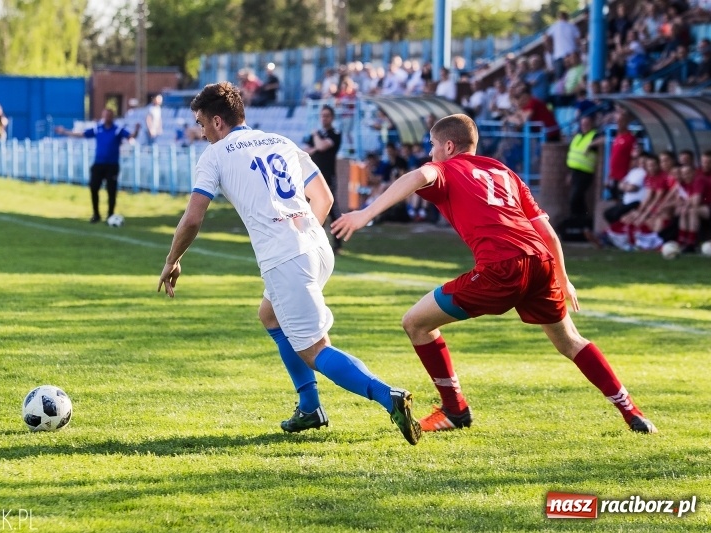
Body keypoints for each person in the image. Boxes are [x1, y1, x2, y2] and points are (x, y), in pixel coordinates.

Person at [331, 114, 657, 434]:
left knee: (414, 323)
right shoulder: (503, 171)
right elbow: (547, 232)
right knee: (570, 340)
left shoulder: (446, 167)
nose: (430, 152)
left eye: (432, 145)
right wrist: (563, 276)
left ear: (448, 145)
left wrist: (365, 213)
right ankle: (632, 413)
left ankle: (455, 410)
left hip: (502, 267)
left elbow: (418, 176)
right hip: (541, 263)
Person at [156, 81, 421, 445]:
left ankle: (388, 395)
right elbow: (324, 198)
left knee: (315, 350)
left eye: (201, 123)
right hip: (316, 247)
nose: (201, 133)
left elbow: (192, 219)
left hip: (286, 260)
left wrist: (173, 260)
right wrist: (299, 232)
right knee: (270, 315)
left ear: (217, 122)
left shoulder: (215, 156)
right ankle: (310, 406)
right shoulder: (281, 142)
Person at [55, 108, 140, 223]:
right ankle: (96, 214)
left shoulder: (118, 130)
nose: (107, 118)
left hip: (112, 165)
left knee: (111, 190)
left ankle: (110, 214)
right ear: (103, 116)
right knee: (94, 187)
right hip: (98, 164)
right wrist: (64, 131)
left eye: (109, 116)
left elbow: (131, 137)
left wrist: (136, 130)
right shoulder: (98, 129)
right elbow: (81, 134)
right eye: (105, 116)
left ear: (112, 117)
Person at [304, 105, 344, 254]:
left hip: (328, 177)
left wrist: (315, 137)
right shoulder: (320, 134)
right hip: (314, 177)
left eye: (327, 115)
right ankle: (313, 241)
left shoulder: (335, 133)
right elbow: (304, 150)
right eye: (322, 115)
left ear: (332, 118)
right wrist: (316, 145)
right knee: (310, 207)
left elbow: (320, 147)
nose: (324, 118)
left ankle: (338, 244)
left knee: (333, 210)